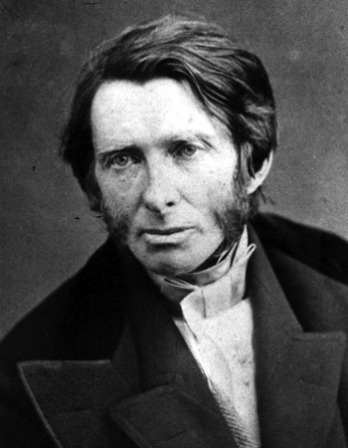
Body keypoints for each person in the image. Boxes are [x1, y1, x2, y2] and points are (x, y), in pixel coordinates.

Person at [0, 15, 347, 448]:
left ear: (254, 160)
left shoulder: (337, 280)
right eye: (123, 160)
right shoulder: (29, 370)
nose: (157, 197)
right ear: (93, 183)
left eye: (185, 150)